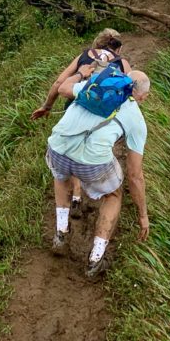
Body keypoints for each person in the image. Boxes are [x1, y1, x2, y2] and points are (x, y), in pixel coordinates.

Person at [43, 70, 151, 277]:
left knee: (61, 175)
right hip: (91, 162)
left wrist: (80, 74)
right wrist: (143, 216)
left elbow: (63, 88)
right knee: (113, 194)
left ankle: (61, 233)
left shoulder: (93, 87)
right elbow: (135, 176)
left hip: (57, 146)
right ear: (142, 96)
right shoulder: (136, 119)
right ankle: (95, 259)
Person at [32, 30, 132, 218]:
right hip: (102, 115)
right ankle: (83, 193)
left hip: (75, 107)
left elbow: (59, 83)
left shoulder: (85, 55)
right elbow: (128, 91)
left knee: (71, 148)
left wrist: (47, 106)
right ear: (118, 47)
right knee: (86, 150)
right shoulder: (122, 63)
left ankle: (76, 196)